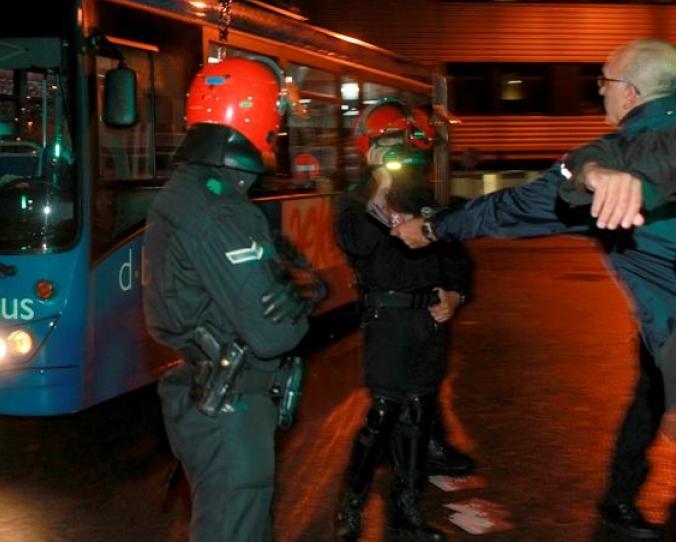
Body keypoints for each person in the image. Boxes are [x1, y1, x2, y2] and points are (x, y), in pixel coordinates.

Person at [392, 37, 676, 540]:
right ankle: (619, 499)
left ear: (630, 93)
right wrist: (589, 167)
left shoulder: (623, 159)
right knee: (647, 401)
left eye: (604, 82)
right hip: (660, 340)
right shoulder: (613, 157)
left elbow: (513, 208)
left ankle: (619, 500)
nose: (600, 92)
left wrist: (433, 227)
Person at [143, 57, 315, 542]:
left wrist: (286, 281)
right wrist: (299, 298)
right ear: (262, 121)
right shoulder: (219, 209)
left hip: (213, 397)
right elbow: (275, 332)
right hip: (229, 410)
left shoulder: (193, 190)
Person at [333, 98, 472, 541]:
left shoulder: (424, 195)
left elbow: (455, 255)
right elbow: (359, 244)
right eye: (391, 142)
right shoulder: (355, 199)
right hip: (388, 319)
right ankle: (351, 502)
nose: (400, 151)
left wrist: (456, 294)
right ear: (371, 146)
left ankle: (407, 509)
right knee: (383, 415)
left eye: (403, 142)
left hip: (429, 320)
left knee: (419, 415)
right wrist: (381, 183)